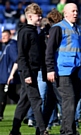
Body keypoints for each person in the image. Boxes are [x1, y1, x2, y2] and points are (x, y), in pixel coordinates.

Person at [45, 3, 81, 135]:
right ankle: (68, 132)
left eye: (77, 11)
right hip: (63, 71)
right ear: (65, 13)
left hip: (76, 71)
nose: (75, 13)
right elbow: (50, 50)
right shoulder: (58, 28)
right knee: (69, 100)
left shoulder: (79, 29)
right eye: (73, 11)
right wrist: (50, 69)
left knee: (75, 99)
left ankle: (68, 128)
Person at [9, 3, 48, 135]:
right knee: (36, 100)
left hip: (33, 70)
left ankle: (14, 131)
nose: (40, 17)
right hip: (28, 72)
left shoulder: (34, 31)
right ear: (30, 16)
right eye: (38, 15)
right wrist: (26, 74)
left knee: (24, 102)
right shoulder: (26, 32)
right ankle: (42, 130)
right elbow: (22, 55)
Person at [0, 30, 20, 121]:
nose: (3, 37)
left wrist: (11, 74)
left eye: (5, 35)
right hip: (3, 76)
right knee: (11, 95)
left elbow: (16, 60)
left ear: (10, 36)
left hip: (7, 76)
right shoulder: (5, 46)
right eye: (2, 35)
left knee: (3, 95)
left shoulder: (11, 46)